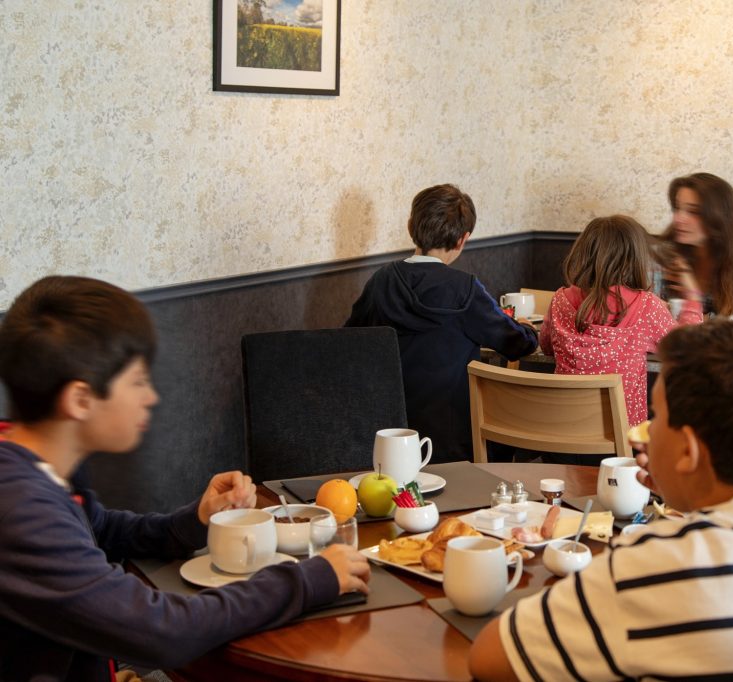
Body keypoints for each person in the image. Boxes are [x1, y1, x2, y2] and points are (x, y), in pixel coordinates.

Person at [469, 321, 733, 681]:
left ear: (688, 451)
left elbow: (489, 660)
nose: (648, 430)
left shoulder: (652, 564)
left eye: (657, 417)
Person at [0, 276, 371, 682]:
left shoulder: (37, 464)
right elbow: (161, 631)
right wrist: (309, 579)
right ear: (80, 400)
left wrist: (195, 520)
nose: (150, 396)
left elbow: (97, 529)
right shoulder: (18, 507)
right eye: (138, 381)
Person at [345, 184, 538, 461]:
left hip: (388, 434)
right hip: (455, 438)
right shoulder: (466, 289)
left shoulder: (383, 281)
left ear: (411, 226)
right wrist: (528, 330)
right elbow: (517, 344)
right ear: (463, 239)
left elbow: (349, 342)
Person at [539, 215, 683, 426]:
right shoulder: (646, 306)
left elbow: (546, 346)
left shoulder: (560, 299)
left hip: (564, 431)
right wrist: (692, 303)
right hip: (621, 445)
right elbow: (688, 350)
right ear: (635, 258)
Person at [657, 172, 733, 322]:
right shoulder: (665, 251)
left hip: (730, 344)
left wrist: (695, 303)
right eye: (677, 208)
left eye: (693, 211)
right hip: (674, 344)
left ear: (719, 216)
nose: (678, 219)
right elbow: (649, 315)